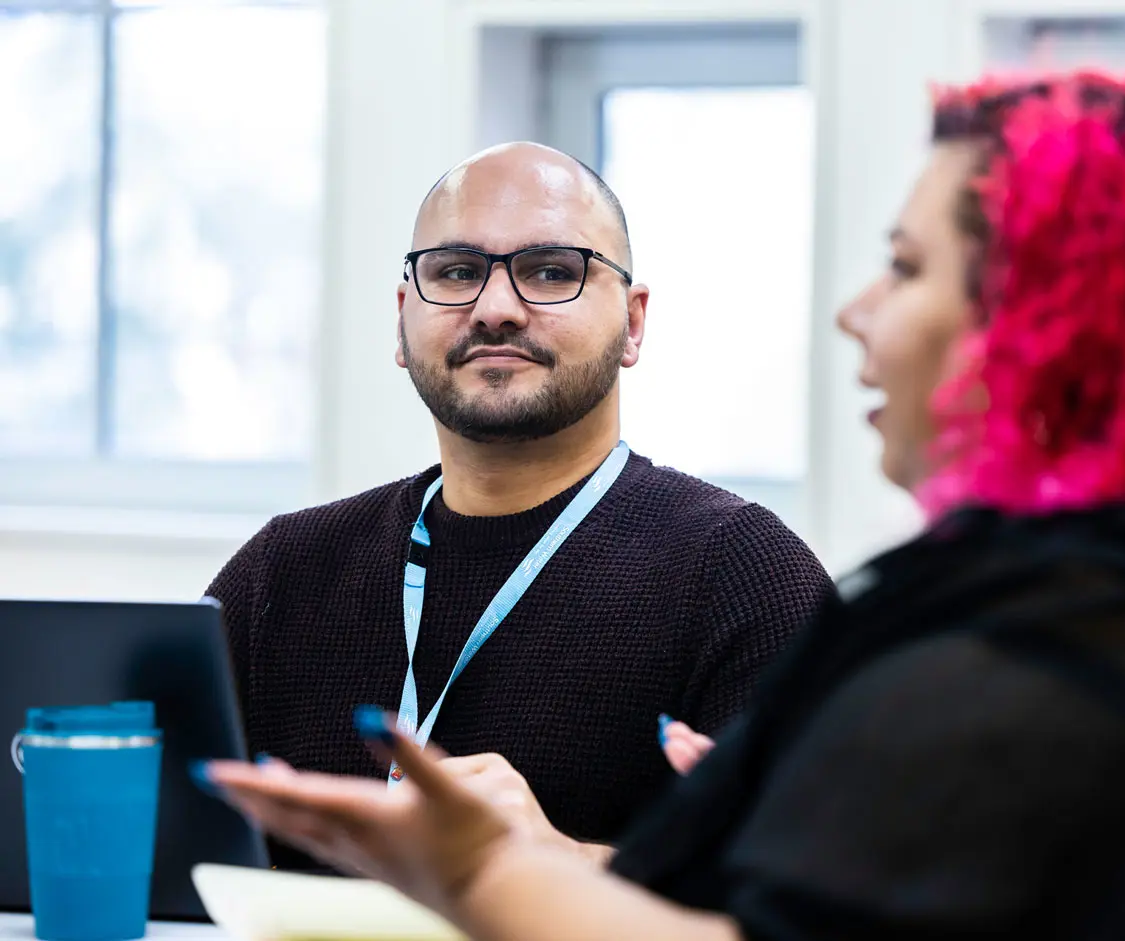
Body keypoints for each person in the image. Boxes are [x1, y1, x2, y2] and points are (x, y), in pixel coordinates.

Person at [199, 71, 1125, 936]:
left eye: (909, 266)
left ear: (1048, 322)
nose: (856, 310)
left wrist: (482, 869)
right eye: (456, 271)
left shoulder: (1072, 655)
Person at [205, 142, 832, 869]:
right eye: (458, 272)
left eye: (551, 272)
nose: (496, 309)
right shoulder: (284, 570)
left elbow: (819, 899)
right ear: (403, 321)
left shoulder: (744, 574)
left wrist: (555, 864)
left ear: (633, 323)